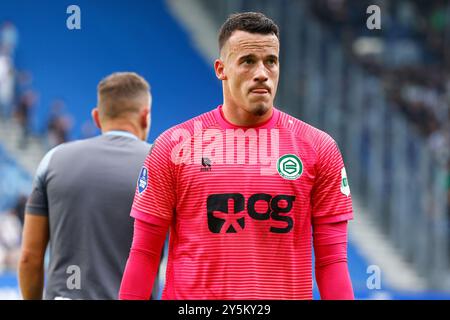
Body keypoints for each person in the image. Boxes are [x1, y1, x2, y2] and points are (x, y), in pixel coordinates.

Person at [119, 12, 354, 300]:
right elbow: (145, 253)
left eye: (271, 61)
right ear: (221, 68)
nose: (262, 73)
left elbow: (332, 261)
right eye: (248, 61)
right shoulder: (174, 146)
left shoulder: (319, 148)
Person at [19, 72, 154, 299]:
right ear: (145, 116)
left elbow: (29, 258)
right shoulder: (162, 164)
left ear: (96, 117)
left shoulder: (53, 159)